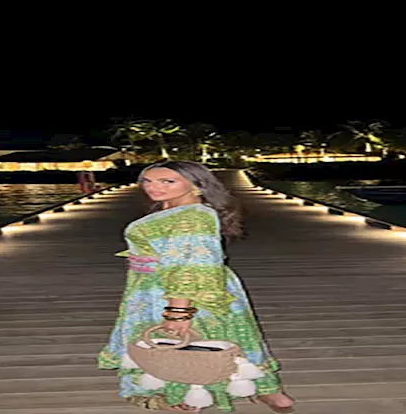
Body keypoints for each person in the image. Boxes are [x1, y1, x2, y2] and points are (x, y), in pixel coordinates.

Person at [98, 161, 295, 413]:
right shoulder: (178, 210)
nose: (153, 187)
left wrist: (178, 311)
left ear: (197, 186)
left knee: (185, 339)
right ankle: (264, 389)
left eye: (167, 181)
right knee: (224, 334)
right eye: (147, 181)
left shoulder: (193, 216)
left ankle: (185, 393)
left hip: (176, 288)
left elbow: (189, 265)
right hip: (167, 282)